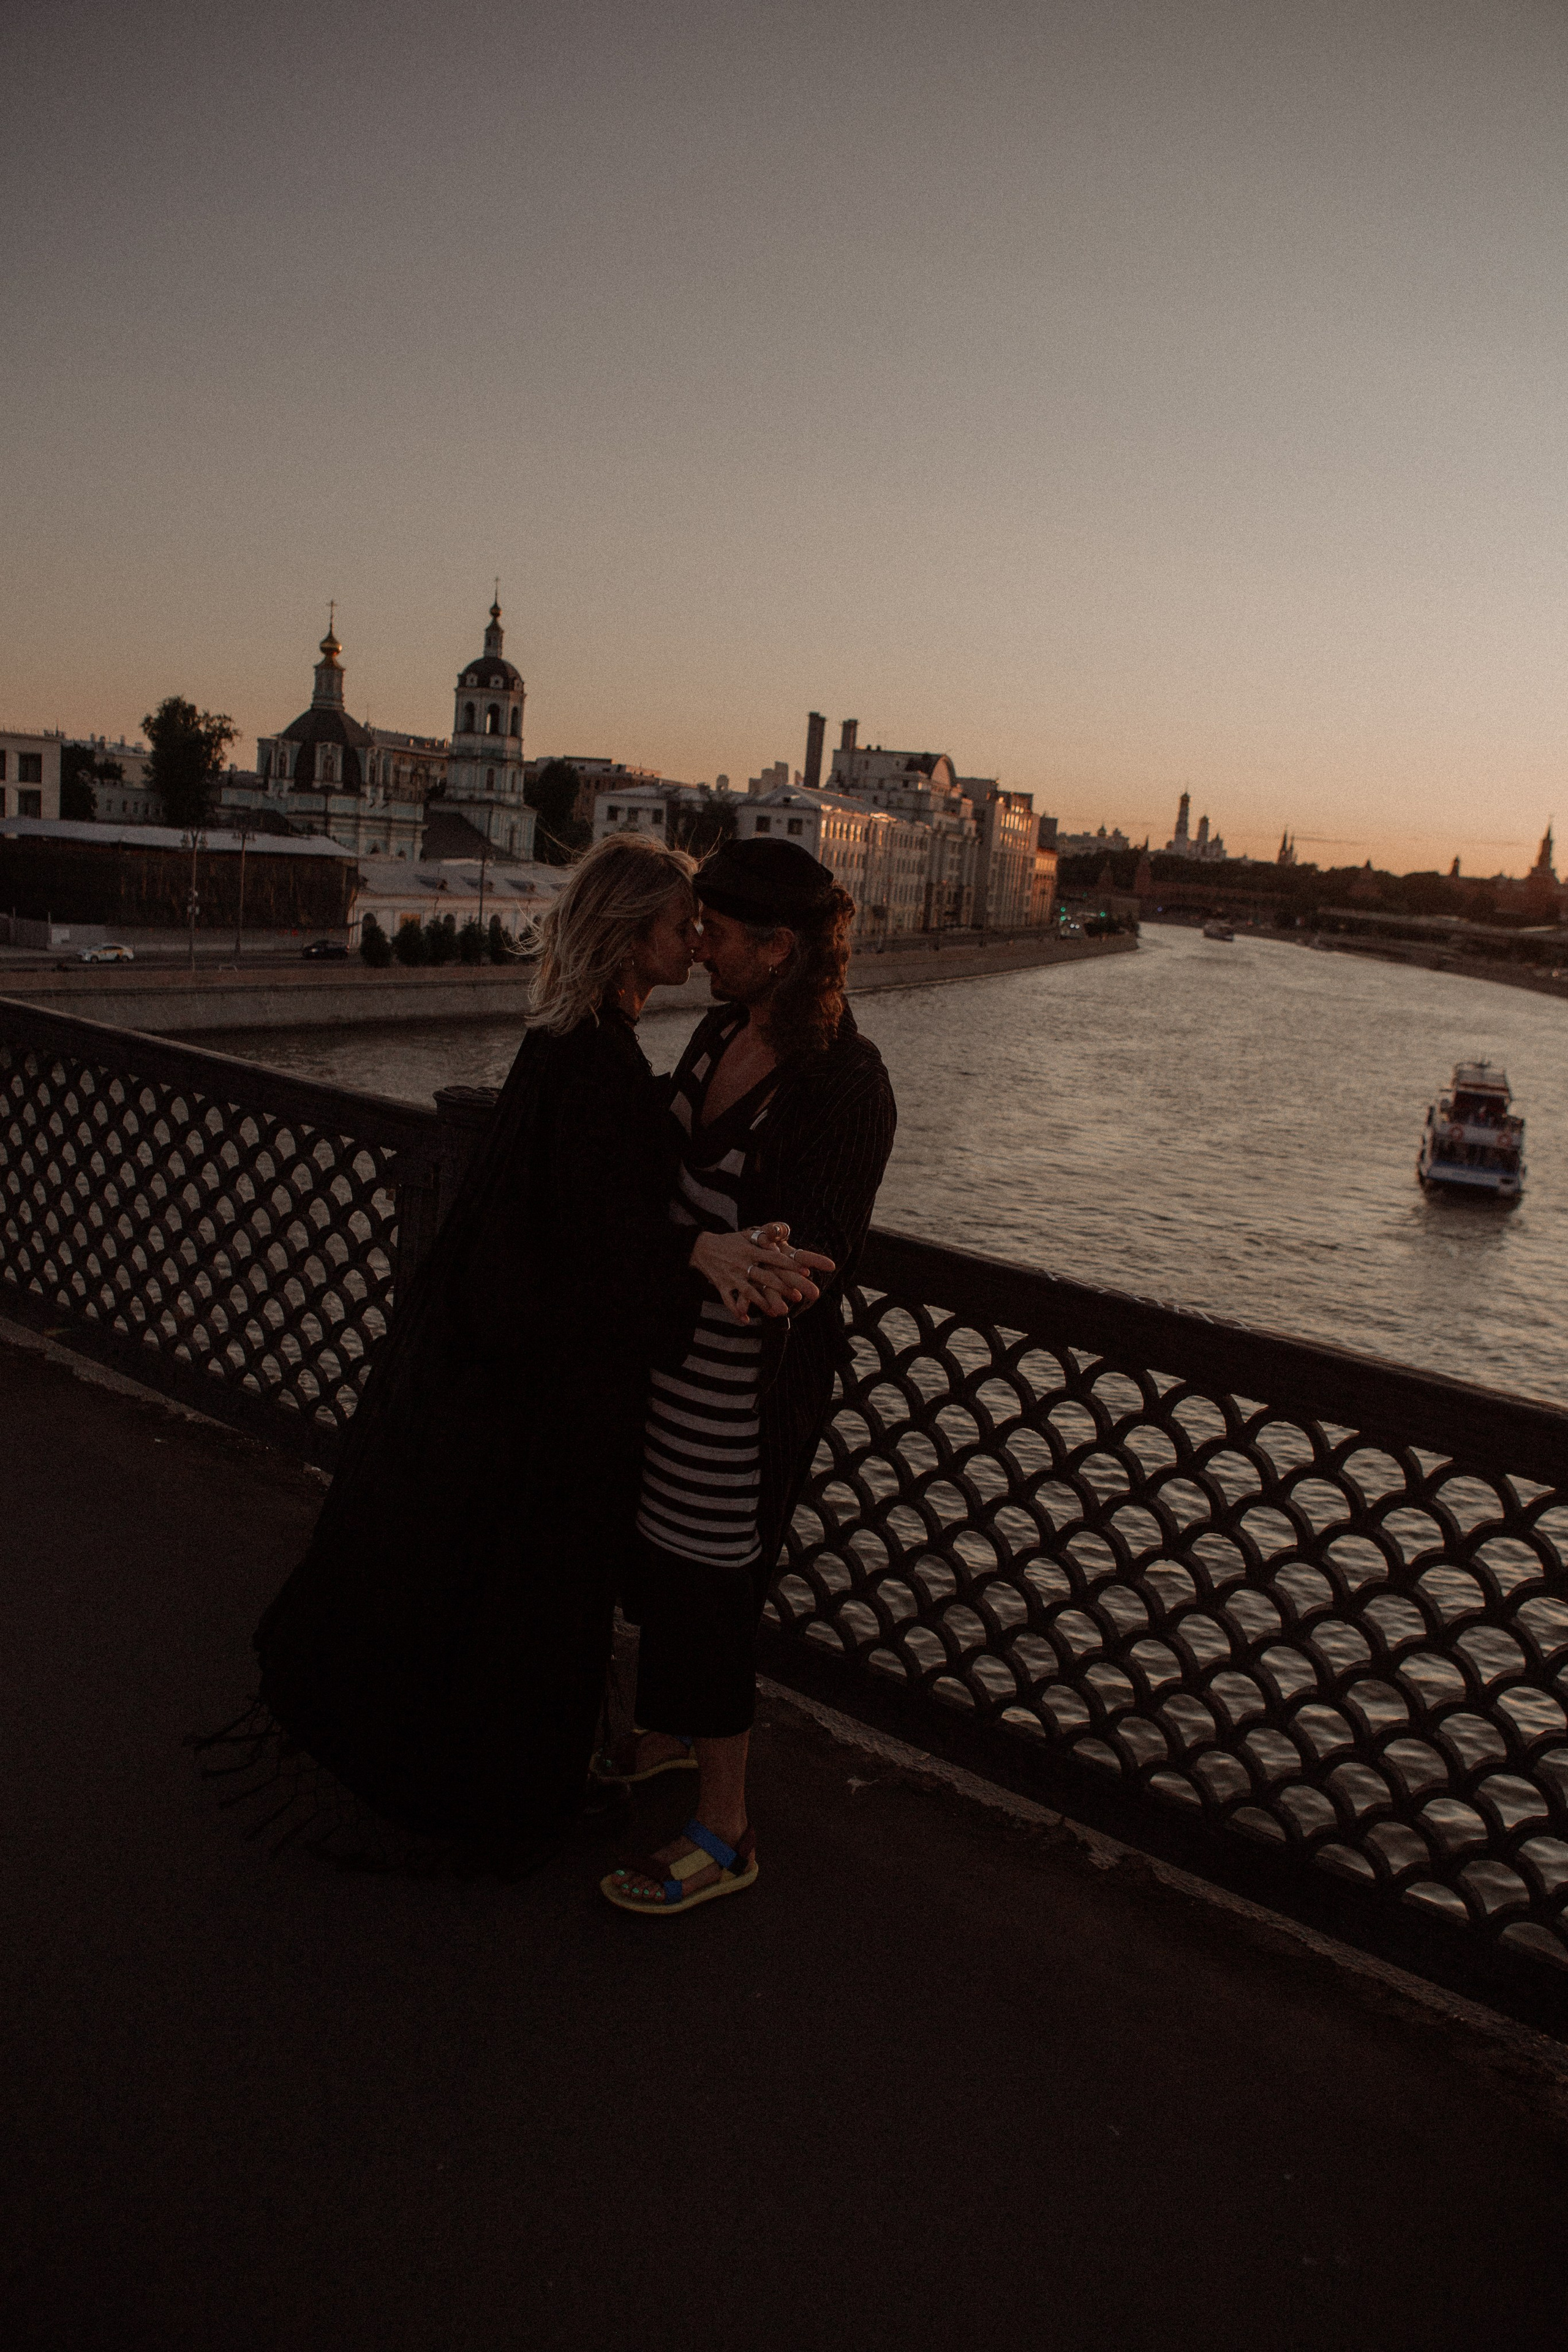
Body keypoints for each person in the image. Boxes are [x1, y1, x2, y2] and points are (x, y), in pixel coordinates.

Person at [206, 834, 825, 1872]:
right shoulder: (598, 1063)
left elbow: (576, 1213)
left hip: (520, 1377)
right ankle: (506, 1800)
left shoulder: (572, 1043)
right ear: (629, 939)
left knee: (498, 1593)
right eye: (680, 925)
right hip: (556, 1398)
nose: (694, 941)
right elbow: (590, 1233)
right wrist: (695, 1251)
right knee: (538, 1601)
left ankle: (493, 1782)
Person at [599, 837, 897, 1915]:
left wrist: (748, 1258)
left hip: (742, 1397)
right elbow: (661, 1167)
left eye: (716, 933)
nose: (699, 948)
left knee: (714, 1594)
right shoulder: (721, 1031)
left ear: (779, 949)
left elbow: (808, 1261)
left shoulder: (849, 1085)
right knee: (656, 1572)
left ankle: (726, 1831)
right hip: (668, 1362)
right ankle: (664, 1737)